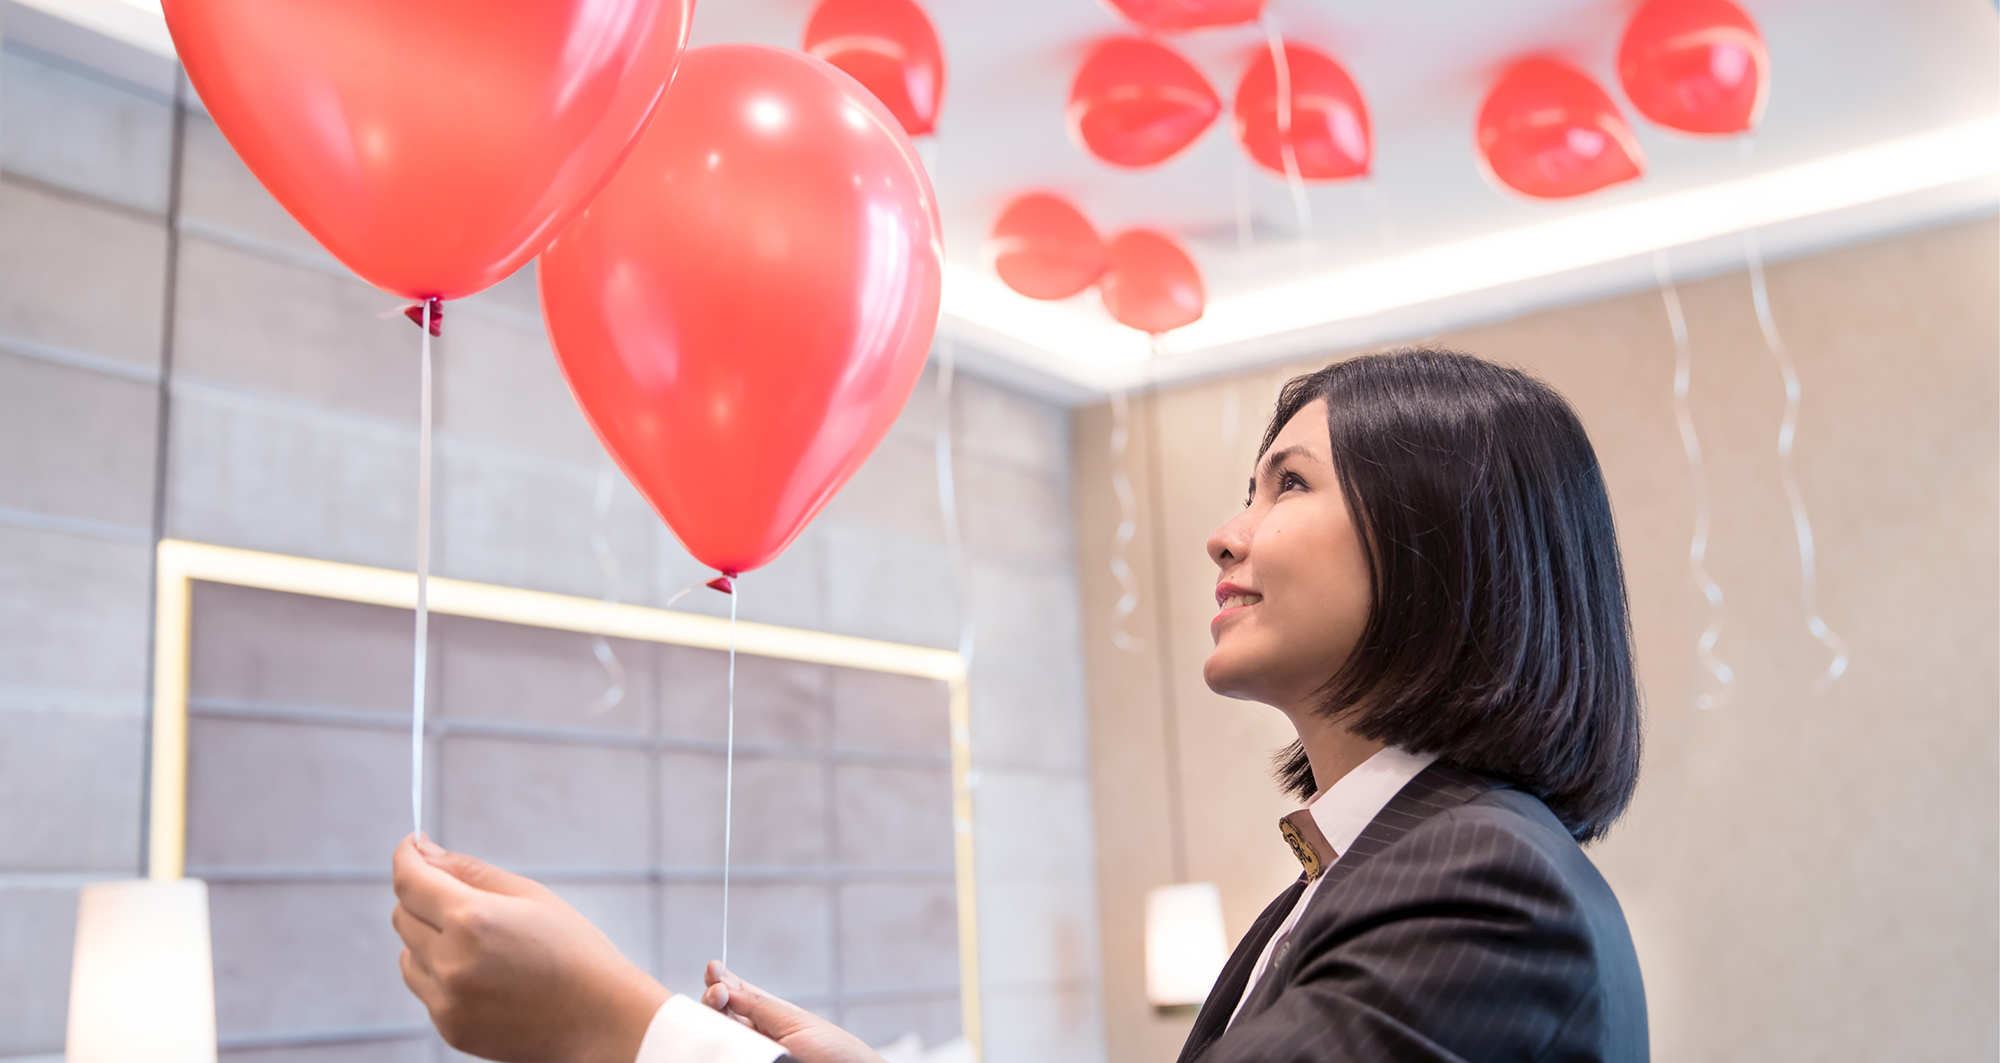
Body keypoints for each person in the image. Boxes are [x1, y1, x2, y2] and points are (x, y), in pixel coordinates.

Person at [391, 347, 1648, 1063]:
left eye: (1285, 484)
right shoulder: (1366, 873)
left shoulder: (1490, 886)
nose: (1223, 534)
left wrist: (625, 1028)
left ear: (1438, 543)